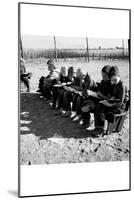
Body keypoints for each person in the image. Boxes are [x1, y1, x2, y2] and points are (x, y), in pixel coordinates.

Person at [93, 65, 128, 135]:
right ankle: (99, 127)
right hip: (114, 104)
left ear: (119, 76)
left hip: (119, 107)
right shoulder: (115, 84)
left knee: (101, 107)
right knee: (100, 105)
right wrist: (110, 99)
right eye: (112, 80)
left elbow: (120, 102)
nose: (113, 82)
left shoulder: (122, 86)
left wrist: (110, 104)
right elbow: (114, 95)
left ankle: (100, 128)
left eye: (115, 80)